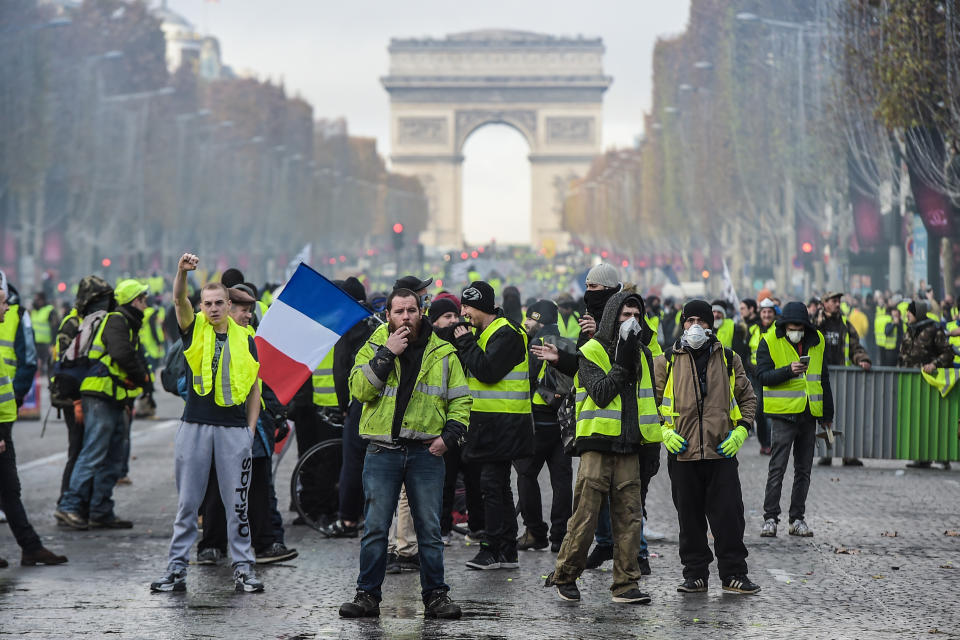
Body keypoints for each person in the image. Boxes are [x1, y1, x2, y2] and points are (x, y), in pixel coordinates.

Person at [338, 288, 471, 619]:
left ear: (421, 311)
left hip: (426, 452)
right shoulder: (374, 345)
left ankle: (436, 596)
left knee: (429, 530)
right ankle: (367, 595)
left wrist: (449, 437)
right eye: (399, 312)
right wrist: (386, 354)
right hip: (382, 450)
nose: (406, 317)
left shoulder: (442, 351)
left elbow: (461, 399)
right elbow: (359, 389)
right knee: (375, 529)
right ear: (388, 315)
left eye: (412, 310)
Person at [150, 253, 264, 594]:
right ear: (200, 307)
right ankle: (176, 570)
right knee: (187, 503)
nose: (212, 309)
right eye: (207, 304)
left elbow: (255, 388)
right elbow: (176, 299)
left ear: (229, 305)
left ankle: (244, 569)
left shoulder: (247, 339)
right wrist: (182, 273)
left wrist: (250, 429)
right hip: (195, 426)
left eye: (219, 303)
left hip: (233, 431)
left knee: (237, 505)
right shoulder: (193, 329)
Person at [543, 291, 656, 604]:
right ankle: (565, 575)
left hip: (630, 446)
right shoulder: (591, 351)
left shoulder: (643, 353)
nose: (631, 322)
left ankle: (625, 584)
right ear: (612, 318)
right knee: (585, 515)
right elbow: (602, 392)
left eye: (636, 316)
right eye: (625, 315)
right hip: (597, 444)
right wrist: (622, 359)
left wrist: (651, 449)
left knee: (630, 517)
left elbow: (648, 403)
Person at [655, 300, 760, 595]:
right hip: (683, 453)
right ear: (682, 323)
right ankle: (695, 575)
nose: (695, 326)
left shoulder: (728, 358)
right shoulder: (667, 360)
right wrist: (664, 432)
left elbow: (748, 398)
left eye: (702, 320)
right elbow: (651, 402)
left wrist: (742, 430)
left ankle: (734, 575)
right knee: (689, 520)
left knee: (729, 517)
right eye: (689, 321)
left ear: (711, 325)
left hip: (721, 453)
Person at [196, 286, 297, 566]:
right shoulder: (204, 336)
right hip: (219, 424)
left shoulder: (250, 338)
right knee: (217, 488)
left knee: (259, 487)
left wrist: (272, 413)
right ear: (228, 308)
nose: (248, 315)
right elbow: (185, 380)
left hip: (254, 427)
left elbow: (258, 385)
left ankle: (263, 544)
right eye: (243, 309)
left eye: (250, 310)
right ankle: (211, 546)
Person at [56, 279, 152, 530]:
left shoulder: (126, 322)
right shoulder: (117, 320)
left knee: (113, 456)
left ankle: (101, 510)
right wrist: (143, 376)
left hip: (114, 396)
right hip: (99, 394)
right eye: (143, 299)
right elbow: (121, 354)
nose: (146, 304)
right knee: (94, 452)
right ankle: (69, 506)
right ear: (135, 301)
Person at [453, 281, 532, 571]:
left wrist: (464, 342)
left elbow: (487, 371)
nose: (464, 314)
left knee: (491, 487)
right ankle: (506, 551)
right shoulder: (486, 332)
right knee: (498, 487)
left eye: (468, 307)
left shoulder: (507, 333)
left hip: (505, 424)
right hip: (492, 424)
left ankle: (492, 549)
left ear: (483, 307)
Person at [0, 280, 68, 569]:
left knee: (9, 489)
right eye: (3, 302)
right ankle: (31, 546)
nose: (7, 307)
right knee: (8, 487)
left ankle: (31, 547)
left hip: (3, 421)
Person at [757, 302, 834, 538]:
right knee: (777, 469)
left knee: (804, 470)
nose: (796, 330)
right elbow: (762, 376)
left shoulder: (817, 340)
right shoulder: (769, 340)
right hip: (783, 415)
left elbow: (823, 377)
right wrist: (788, 370)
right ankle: (770, 518)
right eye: (792, 326)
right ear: (784, 325)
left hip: (809, 414)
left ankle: (797, 519)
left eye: (800, 326)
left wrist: (827, 415)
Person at [514, 300, 572, 553]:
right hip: (563, 423)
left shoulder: (535, 344)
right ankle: (560, 536)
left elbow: (525, 380)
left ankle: (535, 532)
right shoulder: (568, 343)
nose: (526, 322)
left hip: (537, 422)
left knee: (526, 476)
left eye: (530, 318)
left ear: (540, 320)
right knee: (562, 481)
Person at [430, 296, 485, 544]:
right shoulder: (433, 344)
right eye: (447, 317)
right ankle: (442, 528)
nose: (454, 321)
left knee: (474, 478)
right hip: (444, 421)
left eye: (456, 316)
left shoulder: (466, 341)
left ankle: (477, 527)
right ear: (435, 322)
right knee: (446, 479)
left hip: (469, 418)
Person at [815, 292, 871, 466]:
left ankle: (848, 454)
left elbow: (855, 346)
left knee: (847, 416)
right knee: (825, 417)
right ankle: (826, 453)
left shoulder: (845, 324)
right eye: (834, 301)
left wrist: (862, 359)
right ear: (825, 303)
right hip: (820, 378)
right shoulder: (816, 323)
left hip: (843, 378)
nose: (838, 304)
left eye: (839, 301)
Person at [900, 300, 955, 469]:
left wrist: (934, 364)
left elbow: (948, 353)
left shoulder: (933, 330)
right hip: (913, 387)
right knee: (917, 423)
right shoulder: (910, 330)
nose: (907, 315)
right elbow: (903, 355)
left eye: (910, 312)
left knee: (936, 422)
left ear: (918, 313)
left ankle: (942, 457)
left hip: (932, 386)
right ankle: (922, 457)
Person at [30, 292, 57, 374]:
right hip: (35, 343)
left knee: (48, 363)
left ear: (42, 300)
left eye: (37, 299)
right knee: (37, 363)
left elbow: (54, 328)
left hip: (47, 343)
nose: (35, 301)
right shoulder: (33, 311)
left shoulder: (49, 310)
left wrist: (52, 344)